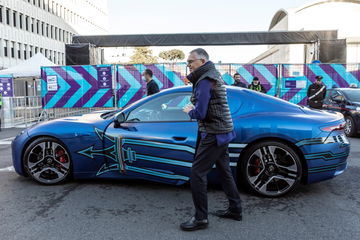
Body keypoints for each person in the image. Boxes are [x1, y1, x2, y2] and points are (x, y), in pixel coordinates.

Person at [181, 48, 242, 231]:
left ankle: (201, 219)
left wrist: (189, 111)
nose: (188, 65)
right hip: (222, 131)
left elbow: (201, 113)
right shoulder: (212, 75)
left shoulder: (205, 80)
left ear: (201, 60)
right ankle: (235, 209)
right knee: (225, 171)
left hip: (214, 132)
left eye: (190, 61)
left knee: (197, 174)